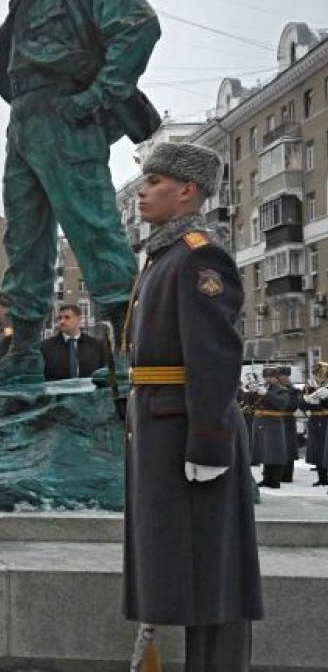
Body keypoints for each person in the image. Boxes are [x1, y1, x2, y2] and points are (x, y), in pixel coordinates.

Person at [0, 0, 161, 387]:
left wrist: (99, 95)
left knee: (93, 227)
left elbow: (139, 25)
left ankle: (126, 353)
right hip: (26, 118)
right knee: (24, 239)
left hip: (65, 115)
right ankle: (23, 352)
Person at [123, 142, 261, 671]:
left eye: (154, 181)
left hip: (187, 431)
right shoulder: (165, 254)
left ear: (187, 191)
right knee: (180, 568)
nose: (142, 189)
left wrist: (208, 442)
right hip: (162, 427)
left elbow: (214, 356)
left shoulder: (199, 254)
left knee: (214, 572)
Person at [39, 304, 106, 381]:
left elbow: (102, 373)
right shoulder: (46, 347)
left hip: (88, 391)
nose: (62, 321)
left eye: (67, 317)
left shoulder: (96, 345)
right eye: (60, 318)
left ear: (79, 319)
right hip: (58, 391)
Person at [253, 368, 291, 489]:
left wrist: (267, 394)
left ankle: (275, 480)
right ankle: (266, 478)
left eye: (271, 377)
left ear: (276, 378)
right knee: (266, 451)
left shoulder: (281, 390)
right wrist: (252, 392)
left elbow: (283, 404)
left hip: (274, 423)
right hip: (263, 423)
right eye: (266, 377)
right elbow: (253, 404)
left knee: (276, 452)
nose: (268, 379)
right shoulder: (264, 388)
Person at [276, 367, 300, 483]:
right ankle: (275, 473)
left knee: (288, 448)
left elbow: (292, 406)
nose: (282, 377)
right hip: (276, 419)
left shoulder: (294, 390)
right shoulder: (274, 389)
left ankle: (287, 475)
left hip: (287, 420)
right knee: (276, 447)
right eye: (280, 375)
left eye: (283, 375)